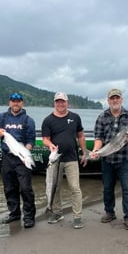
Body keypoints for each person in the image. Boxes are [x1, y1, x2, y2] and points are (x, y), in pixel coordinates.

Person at [0, 93, 37, 229]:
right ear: (9, 103)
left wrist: (26, 153)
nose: (16, 104)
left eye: (18, 101)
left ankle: (29, 216)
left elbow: (31, 140)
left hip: (22, 158)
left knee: (25, 188)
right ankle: (14, 214)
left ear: (22, 103)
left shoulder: (28, 120)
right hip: (7, 157)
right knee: (9, 188)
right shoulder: (1, 118)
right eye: (13, 101)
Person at [90, 89, 128, 230]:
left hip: (126, 159)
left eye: (117, 98)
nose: (115, 100)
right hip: (107, 158)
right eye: (112, 98)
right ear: (108, 101)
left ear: (121, 99)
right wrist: (95, 150)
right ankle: (109, 212)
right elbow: (99, 138)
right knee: (107, 188)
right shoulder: (102, 117)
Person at [41, 92, 87, 229]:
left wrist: (84, 153)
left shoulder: (75, 117)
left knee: (75, 188)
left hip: (72, 158)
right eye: (58, 101)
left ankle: (77, 216)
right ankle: (57, 213)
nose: (60, 104)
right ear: (54, 103)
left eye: (63, 101)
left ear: (67, 102)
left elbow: (80, 135)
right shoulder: (48, 120)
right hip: (55, 161)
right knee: (55, 187)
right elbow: (45, 138)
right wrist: (49, 145)